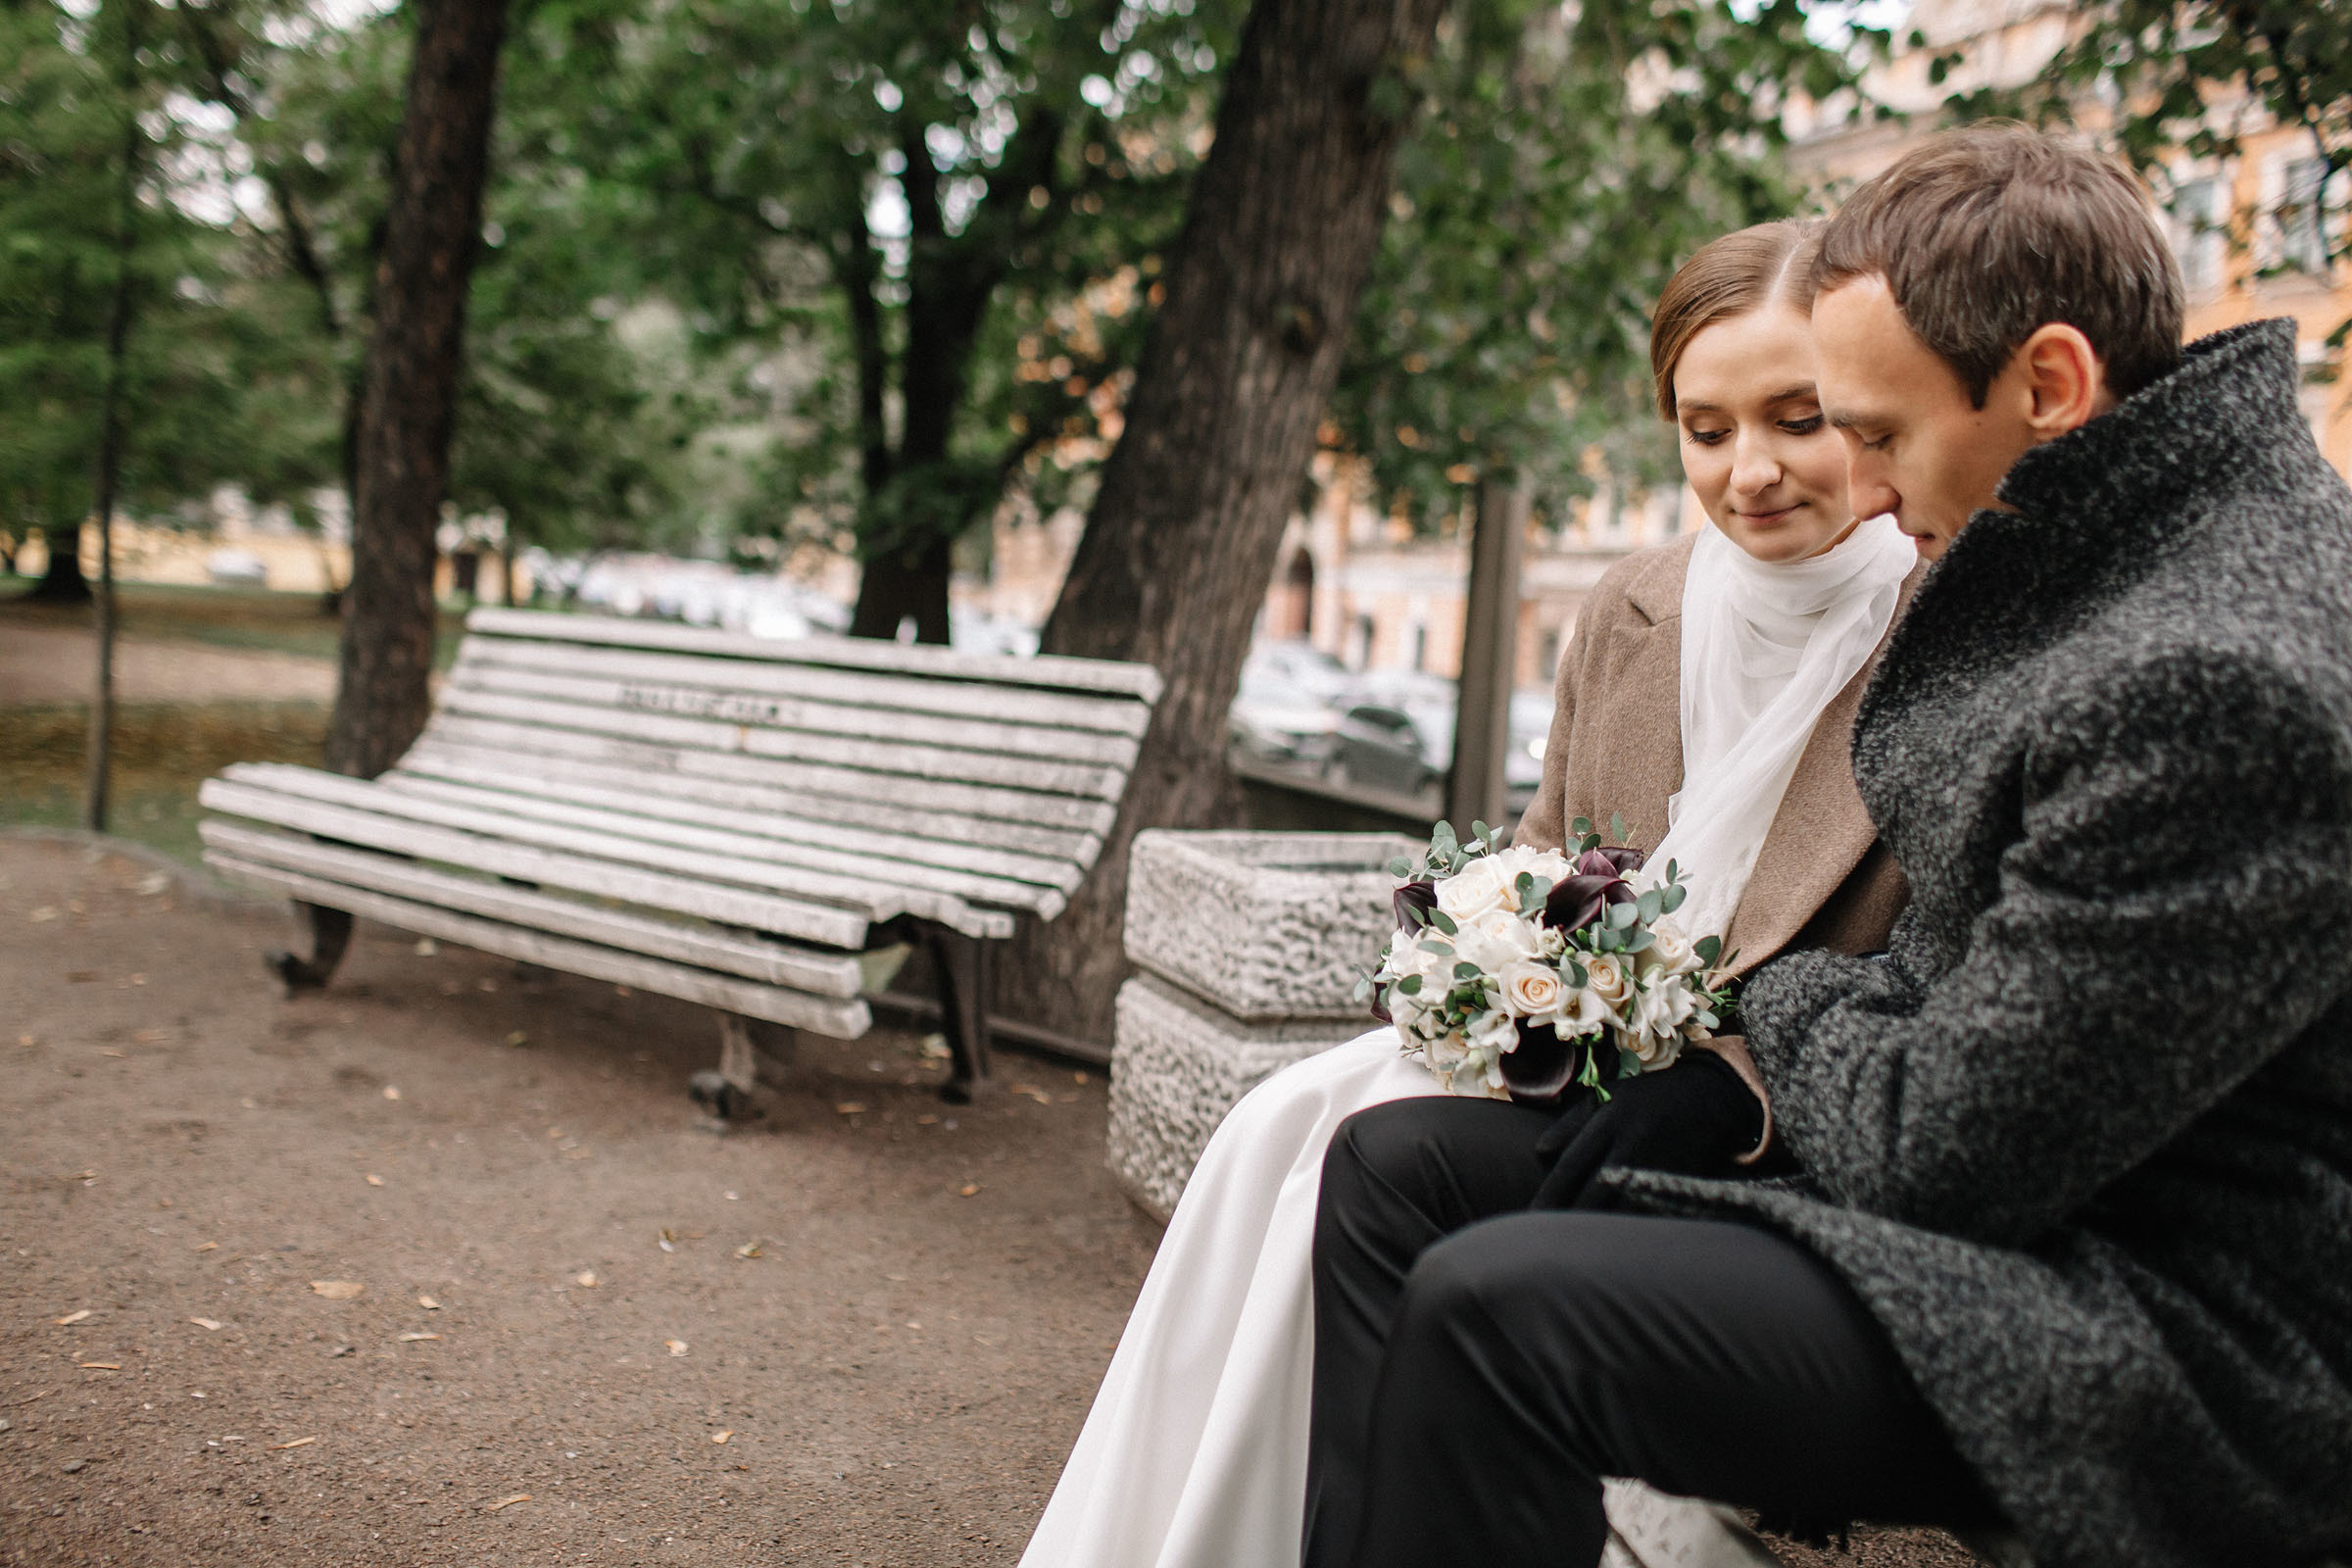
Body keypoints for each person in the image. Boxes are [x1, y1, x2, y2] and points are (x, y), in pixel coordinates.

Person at [1303, 122, 2352, 1568]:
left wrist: (1768, 998)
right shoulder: (2114, 552)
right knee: (1396, 1173)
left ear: (2050, 385)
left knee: (1500, 1316)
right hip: (2032, 1205)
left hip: (2191, 1327)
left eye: (1877, 433)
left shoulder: (2214, 674)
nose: (1855, 483)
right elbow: (1942, 1011)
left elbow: (1946, 1151)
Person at [1017, 219, 1925, 1568]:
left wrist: (1735, 1083)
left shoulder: (1941, 624)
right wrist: (1490, 968)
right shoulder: (1632, 603)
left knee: (1373, 1158)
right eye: (1705, 429)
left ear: (1867, 402)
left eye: (1798, 420)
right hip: (1582, 1063)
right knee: (1281, 1127)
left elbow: (1925, 974)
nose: (1749, 470)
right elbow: (1550, 850)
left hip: (1775, 1124)